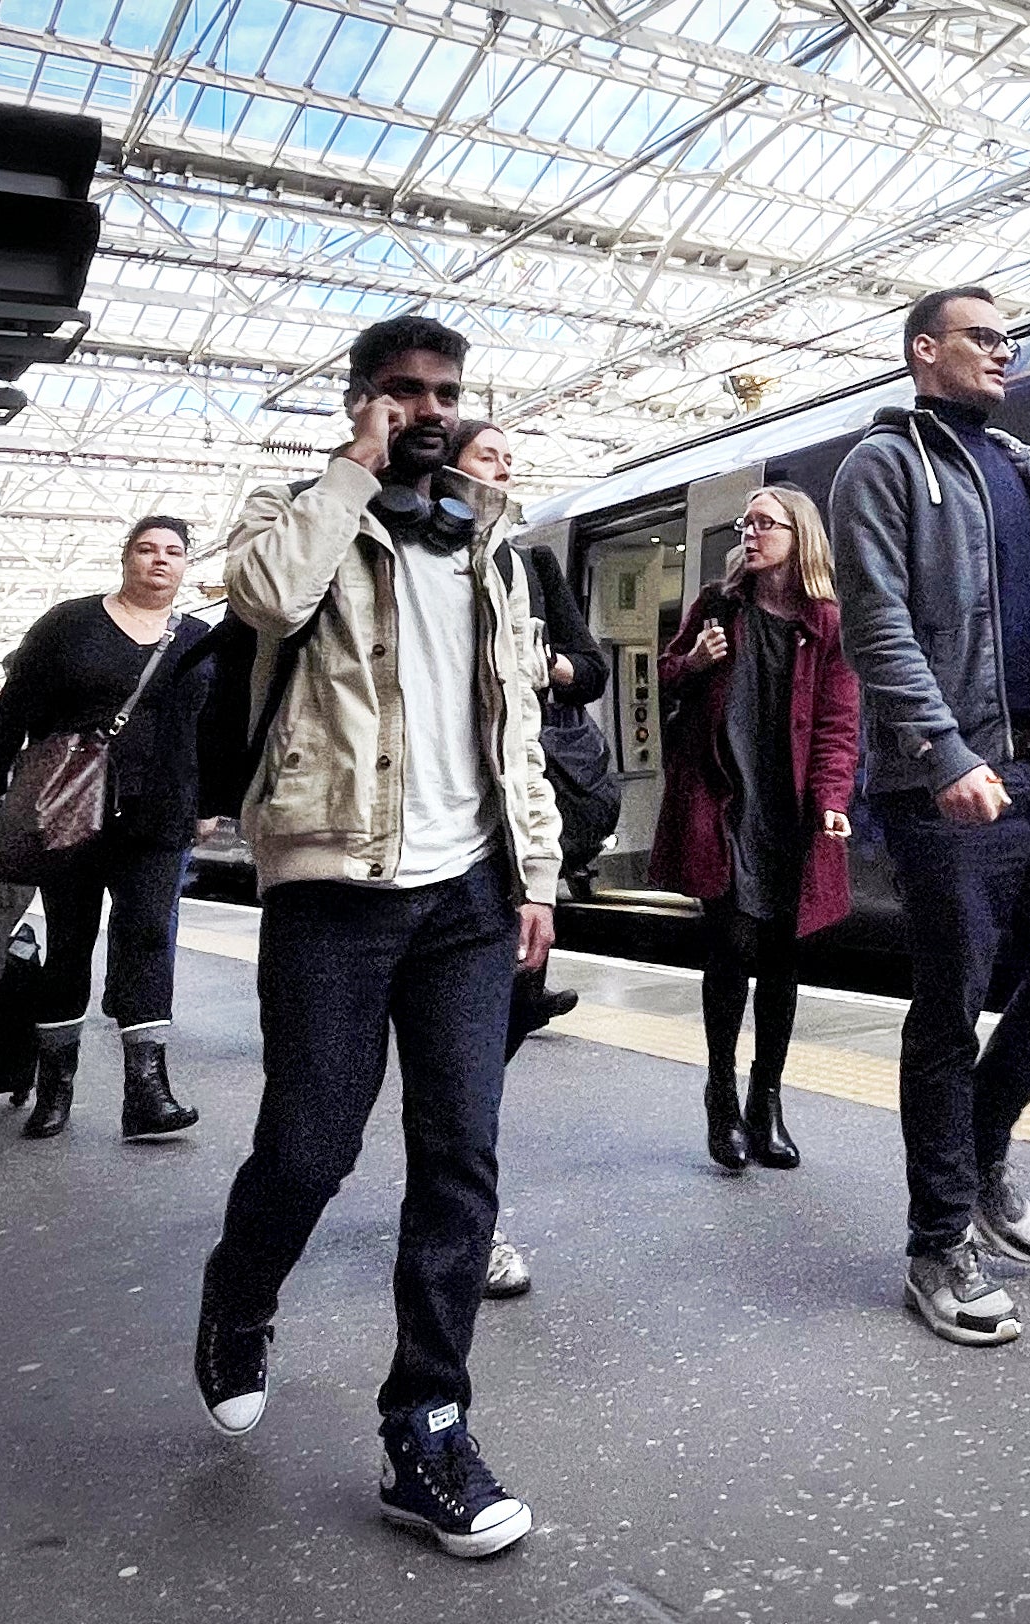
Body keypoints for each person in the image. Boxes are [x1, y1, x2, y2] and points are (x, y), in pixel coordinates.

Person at [193, 314, 558, 1561]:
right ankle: (239, 1296)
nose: (426, 410)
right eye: (400, 392)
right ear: (360, 399)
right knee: (309, 1150)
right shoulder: (294, 510)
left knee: (461, 1162)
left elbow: (516, 731)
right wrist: (353, 468)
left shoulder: (492, 548)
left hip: (467, 897)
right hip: (334, 891)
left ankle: (428, 1426)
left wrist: (539, 875)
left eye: (443, 392)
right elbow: (263, 598)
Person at [829, 286, 1030, 1348]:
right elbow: (876, 624)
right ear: (925, 351)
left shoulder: (1020, 467)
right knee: (949, 1007)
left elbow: (1017, 628)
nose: (1006, 350)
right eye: (983, 336)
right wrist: (944, 750)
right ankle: (935, 1242)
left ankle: (984, 1141)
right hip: (945, 787)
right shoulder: (883, 465)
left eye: (1011, 336)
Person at [0, 519, 211, 1142]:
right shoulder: (70, 623)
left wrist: (211, 801)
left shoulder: (199, 640)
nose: (160, 561)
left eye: (173, 552)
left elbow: (211, 730)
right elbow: (13, 711)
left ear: (186, 566)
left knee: (149, 935)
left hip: (159, 812)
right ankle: (55, 1089)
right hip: (70, 808)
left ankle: (147, 1093)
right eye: (147, 549)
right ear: (125, 557)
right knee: (70, 941)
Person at [651, 484, 860, 1173]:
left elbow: (837, 722)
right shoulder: (718, 605)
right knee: (731, 949)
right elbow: (668, 673)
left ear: (799, 536)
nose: (751, 532)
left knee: (781, 959)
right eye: (747, 523)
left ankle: (767, 1103)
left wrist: (832, 797)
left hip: (791, 813)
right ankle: (722, 1094)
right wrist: (696, 663)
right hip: (726, 803)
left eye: (765, 523)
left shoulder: (827, 622)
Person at [442, 417, 604, 1303]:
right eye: (486, 456)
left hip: (501, 822)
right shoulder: (397, 553)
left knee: (472, 1058)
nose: (502, 470)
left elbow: (591, 668)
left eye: (509, 459)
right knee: (317, 1129)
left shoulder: (528, 564)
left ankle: (466, 1221)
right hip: (404, 839)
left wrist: (538, 668)